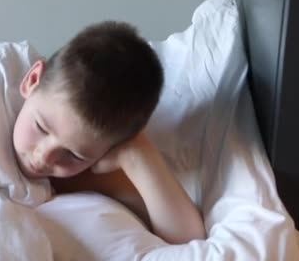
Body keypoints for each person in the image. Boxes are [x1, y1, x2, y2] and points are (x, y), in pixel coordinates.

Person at [12, 21, 206, 244]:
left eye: (74, 155)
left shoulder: (93, 171)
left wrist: (137, 155)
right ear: (32, 80)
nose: (44, 156)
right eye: (41, 128)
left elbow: (188, 240)